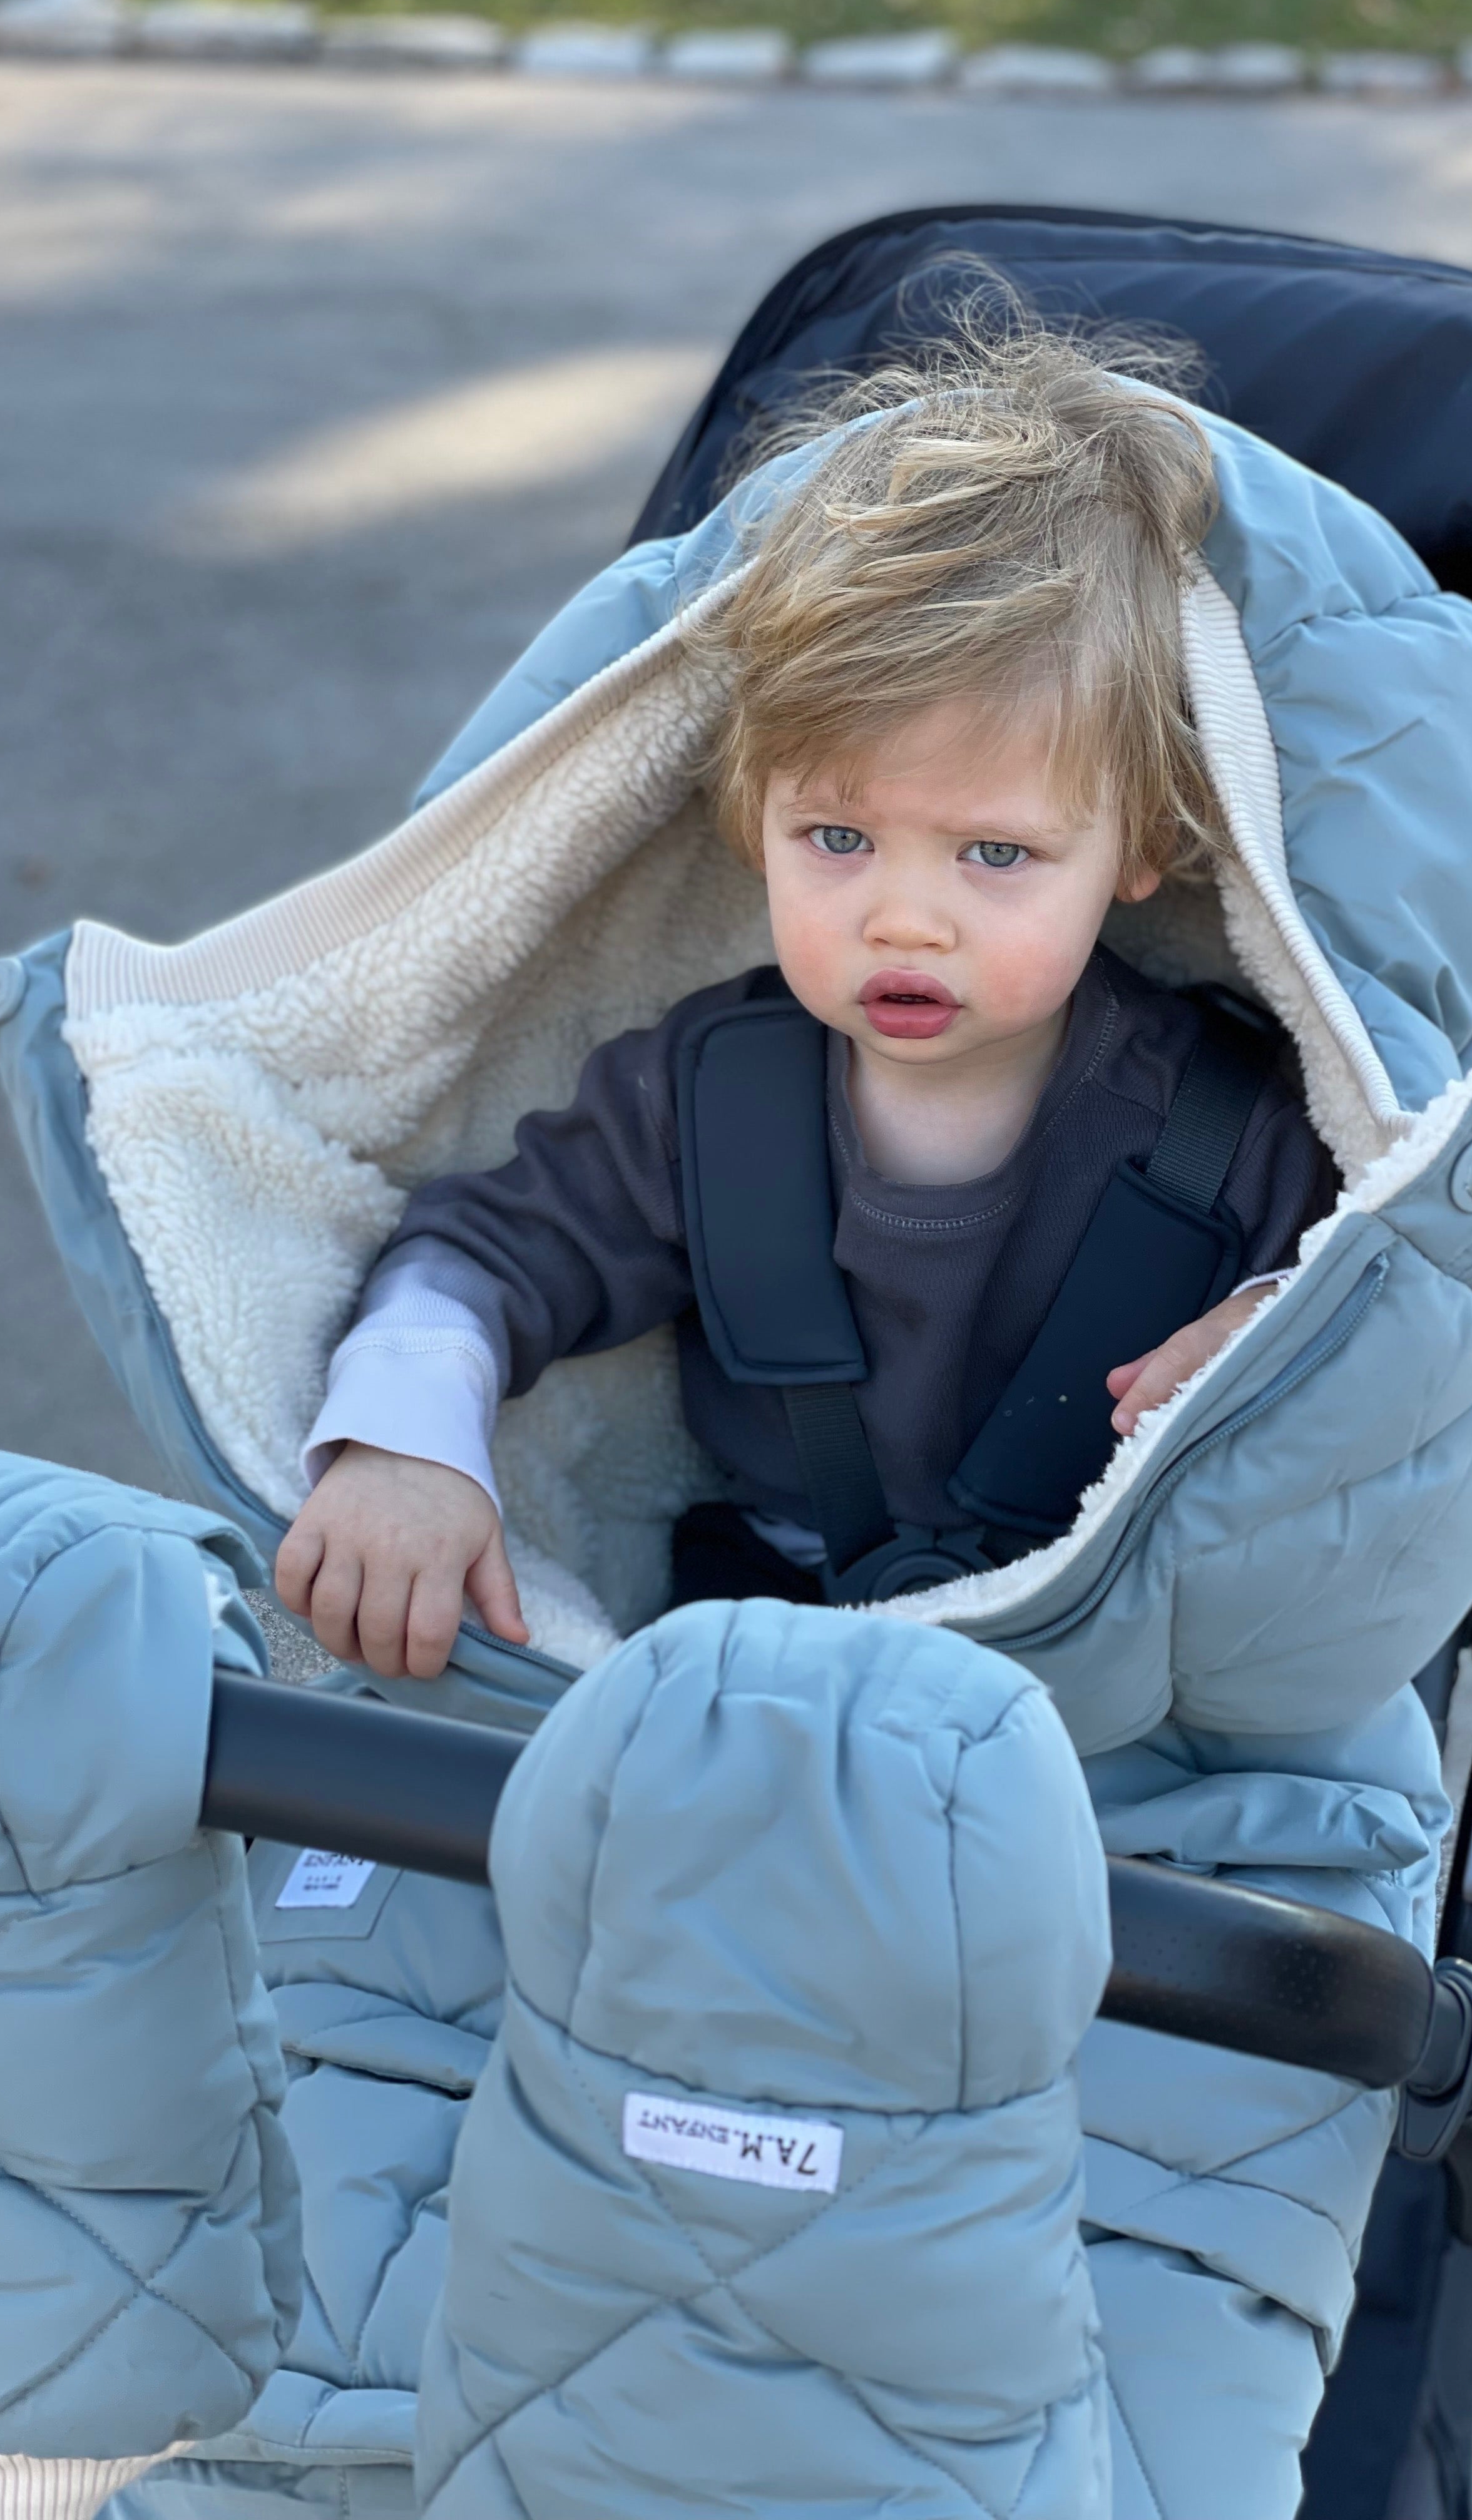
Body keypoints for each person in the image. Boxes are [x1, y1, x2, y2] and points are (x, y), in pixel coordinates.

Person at [275, 327, 1337, 1680]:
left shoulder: (1233, 1127)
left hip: (1111, 1641)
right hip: (762, 1621)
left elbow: (1381, 1317)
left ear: (1140, 848)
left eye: (995, 852)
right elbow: (482, 1253)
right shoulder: (707, 1097)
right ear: (753, 817)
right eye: (838, 838)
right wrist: (406, 1439)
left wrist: (1269, 1325)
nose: (905, 918)